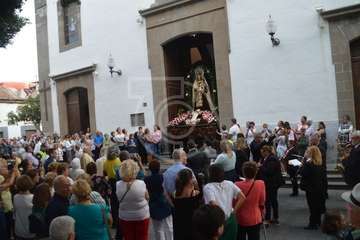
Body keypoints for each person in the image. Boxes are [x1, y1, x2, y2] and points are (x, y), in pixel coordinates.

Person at [203, 164, 245, 240]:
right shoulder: (230, 183)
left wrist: (221, 219)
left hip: (217, 222)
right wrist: (234, 211)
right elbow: (242, 197)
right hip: (231, 219)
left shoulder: (208, 187)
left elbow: (213, 203)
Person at [116, 160, 150, 240]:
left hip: (125, 216)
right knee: (142, 237)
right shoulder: (141, 183)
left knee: (128, 237)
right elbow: (147, 197)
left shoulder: (118, 185)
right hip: (141, 215)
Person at [235, 162, 265, 240]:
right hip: (255, 217)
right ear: (256, 172)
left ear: (243, 172)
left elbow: (234, 202)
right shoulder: (261, 184)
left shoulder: (237, 184)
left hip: (240, 218)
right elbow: (262, 201)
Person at [299, 146, 327, 230]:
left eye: (307, 152)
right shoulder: (320, 163)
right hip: (319, 187)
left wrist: (302, 163)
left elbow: (302, 173)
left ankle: (312, 224)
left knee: (312, 207)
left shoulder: (309, 163)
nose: (306, 153)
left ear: (311, 153)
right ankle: (317, 222)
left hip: (311, 188)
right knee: (317, 206)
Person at [144, 160, 173, 240]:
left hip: (153, 204)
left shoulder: (147, 179)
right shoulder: (163, 177)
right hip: (165, 203)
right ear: (159, 168)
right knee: (169, 226)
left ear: (150, 169)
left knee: (158, 229)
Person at [172, 168, 202, 240]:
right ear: (190, 180)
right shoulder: (195, 193)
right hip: (192, 225)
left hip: (179, 224)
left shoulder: (175, 193)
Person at [259, 145, 283, 225]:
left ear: (266, 152)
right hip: (269, 183)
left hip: (272, 183)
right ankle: (274, 217)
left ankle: (269, 218)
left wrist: (260, 166)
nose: (261, 154)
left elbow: (269, 171)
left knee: (269, 201)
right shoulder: (266, 158)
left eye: (262, 152)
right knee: (272, 201)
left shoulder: (272, 159)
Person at [13, 175, 35, 239]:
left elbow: (14, 213)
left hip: (18, 229)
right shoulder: (33, 197)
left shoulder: (15, 197)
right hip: (30, 230)